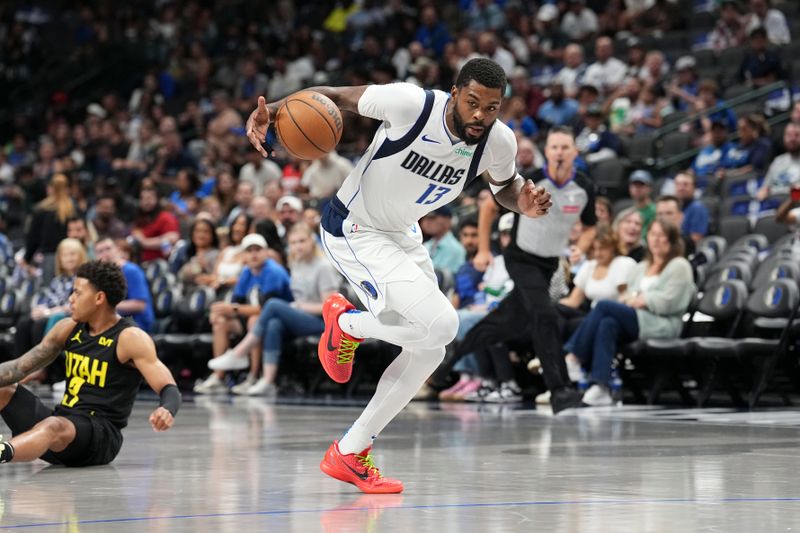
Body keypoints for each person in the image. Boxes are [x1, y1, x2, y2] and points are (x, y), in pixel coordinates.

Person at [245, 58, 552, 493]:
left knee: (431, 349)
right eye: (473, 103)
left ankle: (349, 452)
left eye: (492, 107)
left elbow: (505, 187)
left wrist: (526, 202)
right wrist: (271, 112)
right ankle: (346, 323)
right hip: (354, 227)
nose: (481, 115)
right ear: (454, 93)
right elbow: (334, 97)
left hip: (403, 234)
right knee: (441, 323)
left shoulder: (498, 141)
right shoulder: (411, 105)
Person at [452, 127, 597, 414]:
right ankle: (560, 390)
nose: (559, 152)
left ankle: (450, 356)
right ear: (548, 152)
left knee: (508, 321)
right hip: (521, 257)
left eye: (564, 147)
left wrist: (580, 245)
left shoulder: (583, 187)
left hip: (549, 262)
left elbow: (591, 226)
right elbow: (487, 208)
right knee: (544, 314)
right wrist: (483, 249)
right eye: (554, 147)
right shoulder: (532, 181)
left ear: (574, 153)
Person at [0, 260, 180, 466]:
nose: (71, 299)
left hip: (99, 437)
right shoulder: (68, 327)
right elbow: (17, 368)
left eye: (77, 293)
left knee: (53, 425)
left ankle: (3, 451)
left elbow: (168, 387)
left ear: (99, 298)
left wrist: (167, 409)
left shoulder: (129, 338)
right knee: (4, 389)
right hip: (62, 429)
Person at [564, 219, 695, 406]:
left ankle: (573, 357)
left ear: (672, 240)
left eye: (661, 236)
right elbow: (626, 296)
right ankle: (600, 387)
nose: (656, 240)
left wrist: (644, 299)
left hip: (663, 324)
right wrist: (635, 299)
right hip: (639, 318)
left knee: (603, 306)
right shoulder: (642, 266)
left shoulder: (679, 265)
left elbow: (672, 302)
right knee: (607, 323)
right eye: (653, 235)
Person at [208, 223, 341, 396]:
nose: (298, 246)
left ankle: (239, 353)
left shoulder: (323, 266)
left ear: (312, 241)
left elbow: (330, 308)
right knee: (274, 324)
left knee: (273, 305)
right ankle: (268, 381)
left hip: (323, 322)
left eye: (302, 241)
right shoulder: (297, 263)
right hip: (301, 316)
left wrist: (299, 306)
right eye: (293, 243)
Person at [195, 233, 292, 394]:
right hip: (250, 320)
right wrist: (221, 312)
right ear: (244, 255)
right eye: (249, 251)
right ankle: (219, 377)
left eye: (258, 250)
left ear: (266, 252)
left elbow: (266, 308)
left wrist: (232, 309)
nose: (254, 254)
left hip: (278, 322)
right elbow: (236, 302)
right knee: (220, 321)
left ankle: (253, 376)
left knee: (254, 320)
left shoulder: (273, 271)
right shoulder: (246, 272)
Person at [93, 238, 155, 333]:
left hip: (137, 326)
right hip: (114, 324)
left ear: (117, 250)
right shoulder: (101, 275)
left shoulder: (131, 270)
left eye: (108, 248)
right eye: (100, 251)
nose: (105, 254)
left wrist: (106, 306)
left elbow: (140, 305)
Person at [23, 174, 75, 284]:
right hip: (72, 257)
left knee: (50, 293)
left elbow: (33, 238)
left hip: (50, 258)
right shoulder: (74, 209)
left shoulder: (41, 210)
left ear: (50, 189)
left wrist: (27, 258)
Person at [757, 122, 800, 200]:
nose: (792, 139)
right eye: (789, 135)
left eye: (797, 135)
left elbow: (797, 196)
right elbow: (764, 189)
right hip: (772, 204)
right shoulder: (778, 161)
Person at [420, 205, 466, 277]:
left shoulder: (455, 249)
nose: (426, 222)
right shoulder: (426, 245)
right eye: (425, 218)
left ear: (447, 220)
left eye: (432, 218)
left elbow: (450, 281)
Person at [673, 173, 709, 244]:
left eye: (685, 184)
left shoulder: (697, 208)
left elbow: (696, 239)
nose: (681, 188)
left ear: (694, 188)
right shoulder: (674, 207)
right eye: (678, 184)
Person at [628, 170, 656, 238]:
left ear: (650, 188)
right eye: (635, 185)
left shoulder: (656, 211)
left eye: (641, 185)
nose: (637, 189)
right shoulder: (628, 212)